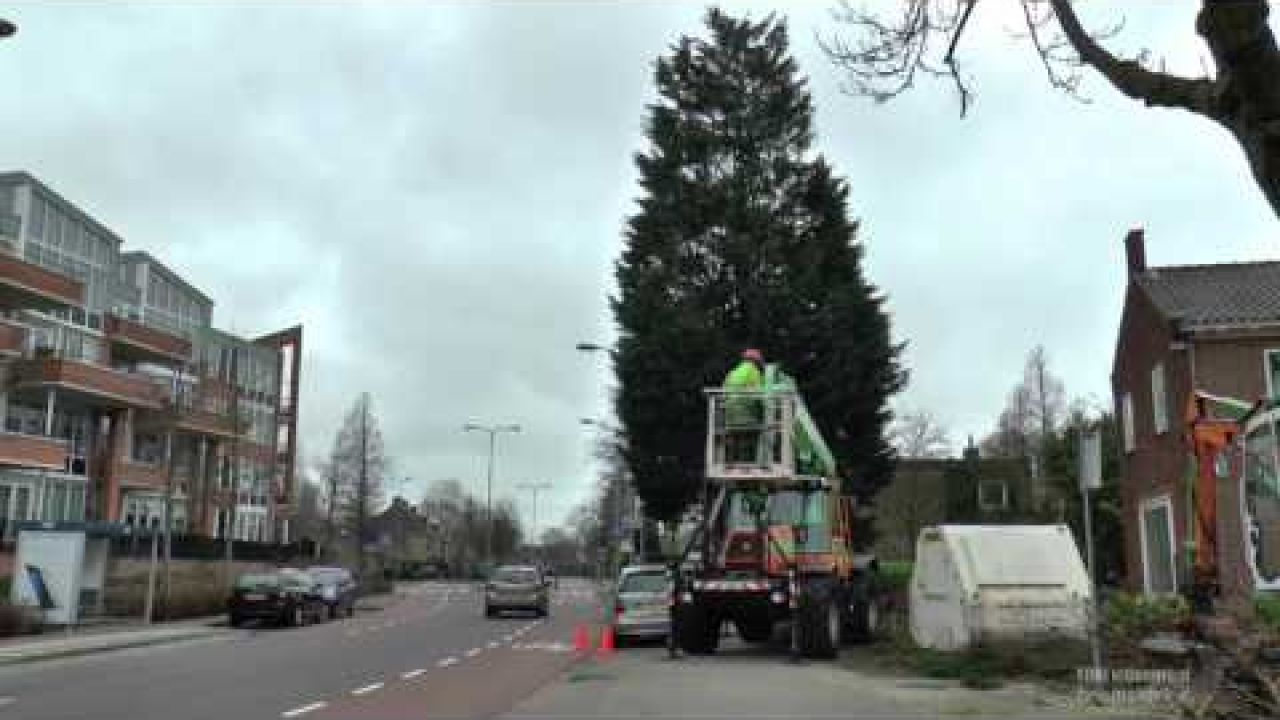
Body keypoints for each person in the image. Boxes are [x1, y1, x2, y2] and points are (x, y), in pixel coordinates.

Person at [723, 349, 766, 465]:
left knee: (734, 437)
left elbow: (724, 393)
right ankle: (746, 464)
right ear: (756, 361)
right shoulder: (754, 372)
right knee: (749, 438)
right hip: (747, 415)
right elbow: (759, 394)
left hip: (730, 416)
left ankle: (730, 463)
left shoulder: (732, 372)